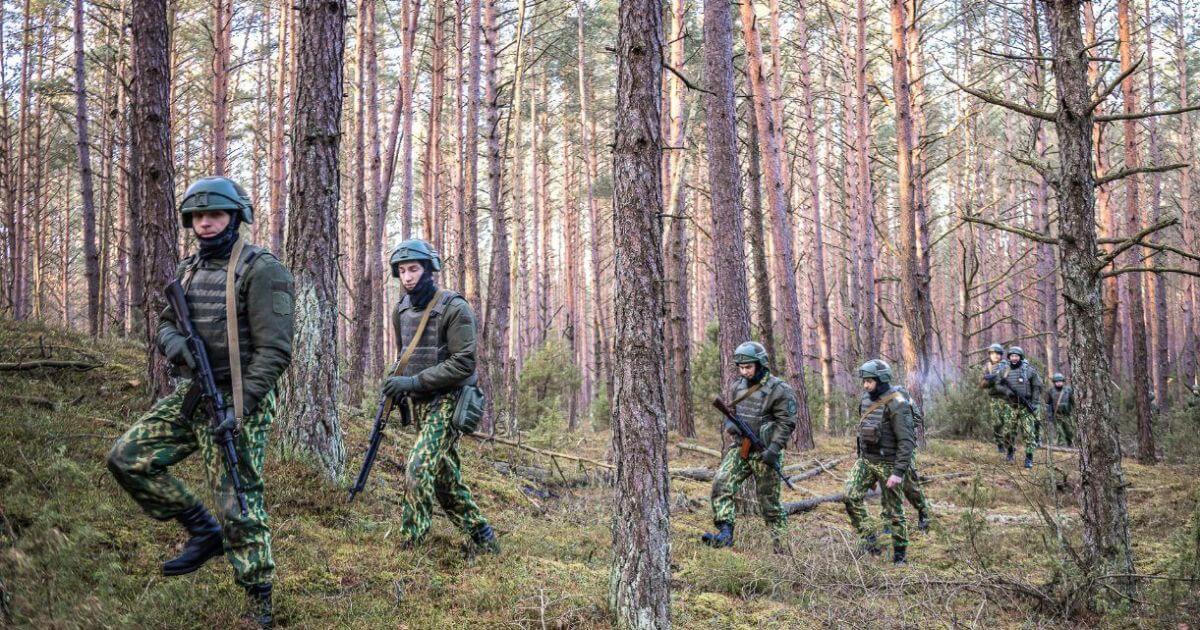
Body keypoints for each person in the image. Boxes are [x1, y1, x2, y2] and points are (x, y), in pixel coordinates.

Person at [107, 176, 294, 628]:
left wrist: (241, 407)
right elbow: (167, 324)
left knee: (238, 497)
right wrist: (175, 345)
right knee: (127, 457)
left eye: (216, 215)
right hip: (194, 393)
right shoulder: (189, 269)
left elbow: (275, 351)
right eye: (199, 216)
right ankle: (201, 529)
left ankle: (258, 597)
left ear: (235, 217)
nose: (206, 224)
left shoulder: (261, 269)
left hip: (240, 397)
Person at [382, 239, 498, 553]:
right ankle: (483, 536)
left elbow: (463, 363)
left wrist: (413, 382)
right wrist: (397, 382)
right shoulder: (401, 310)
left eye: (414, 269)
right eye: (403, 270)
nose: (407, 276)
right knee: (445, 478)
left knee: (419, 466)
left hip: (451, 400)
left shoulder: (454, 307)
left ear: (429, 269)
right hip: (421, 403)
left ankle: (411, 544)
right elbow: (404, 354)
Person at [701, 341, 798, 551]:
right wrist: (731, 426)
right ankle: (725, 532)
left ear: (760, 364)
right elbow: (731, 414)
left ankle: (782, 549)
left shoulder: (779, 389)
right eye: (741, 367)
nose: (744, 371)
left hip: (765, 452)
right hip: (741, 449)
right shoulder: (738, 387)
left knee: (769, 504)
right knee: (721, 483)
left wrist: (773, 450)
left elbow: (787, 423)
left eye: (748, 367)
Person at [844, 359, 916, 565]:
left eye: (870, 381)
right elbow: (862, 433)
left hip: (889, 463)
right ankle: (870, 538)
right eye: (864, 381)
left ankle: (900, 554)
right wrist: (861, 461)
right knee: (849, 496)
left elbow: (906, 441)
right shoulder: (865, 400)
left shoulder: (897, 403)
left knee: (894, 511)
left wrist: (899, 472)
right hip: (866, 460)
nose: (866, 385)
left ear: (882, 380)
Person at [993, 346, 1044, 468]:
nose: (1014, 358)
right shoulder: (1004, 370)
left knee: (1029, 432)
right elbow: (996, 385)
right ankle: (1010, 451)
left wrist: (1035, 402)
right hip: (1011, 406)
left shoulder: (1028, 370)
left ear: (1020, 357)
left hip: (1026, 406)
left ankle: (1029, 457)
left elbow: (1037, 385)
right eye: (1012, 356)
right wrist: (1006, 391)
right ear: (1009, 357)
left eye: (1016, 356)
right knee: (1008, 432)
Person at [979, 343, 1008, 455]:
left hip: (1007, 399)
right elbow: (981, 384)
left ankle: (1009, 445)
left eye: (998, 354)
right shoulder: (987, 367)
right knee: (997, 423)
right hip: (994, 399)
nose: (995, 356)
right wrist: (989, 380)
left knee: (1008, 423)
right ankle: (1000, 444)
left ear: (1001, 355)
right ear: (990, 355)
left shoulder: (1006, 366)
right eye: (993, 354)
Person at [1046, 373, 1074, 446]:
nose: (1058, 383)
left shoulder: (1068, 390)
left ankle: (1070, 444)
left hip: (1067, 415)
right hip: (1056, 415)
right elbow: (1048, 404)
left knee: (1069, 431)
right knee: (1059, 431)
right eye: (1057, 381)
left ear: (1063, 381)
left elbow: (1073, 402)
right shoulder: (1050, 391)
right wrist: (1049, 415)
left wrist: (1074, 413)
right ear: (1054, 382)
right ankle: (1061, 446)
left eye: (1060, 381)